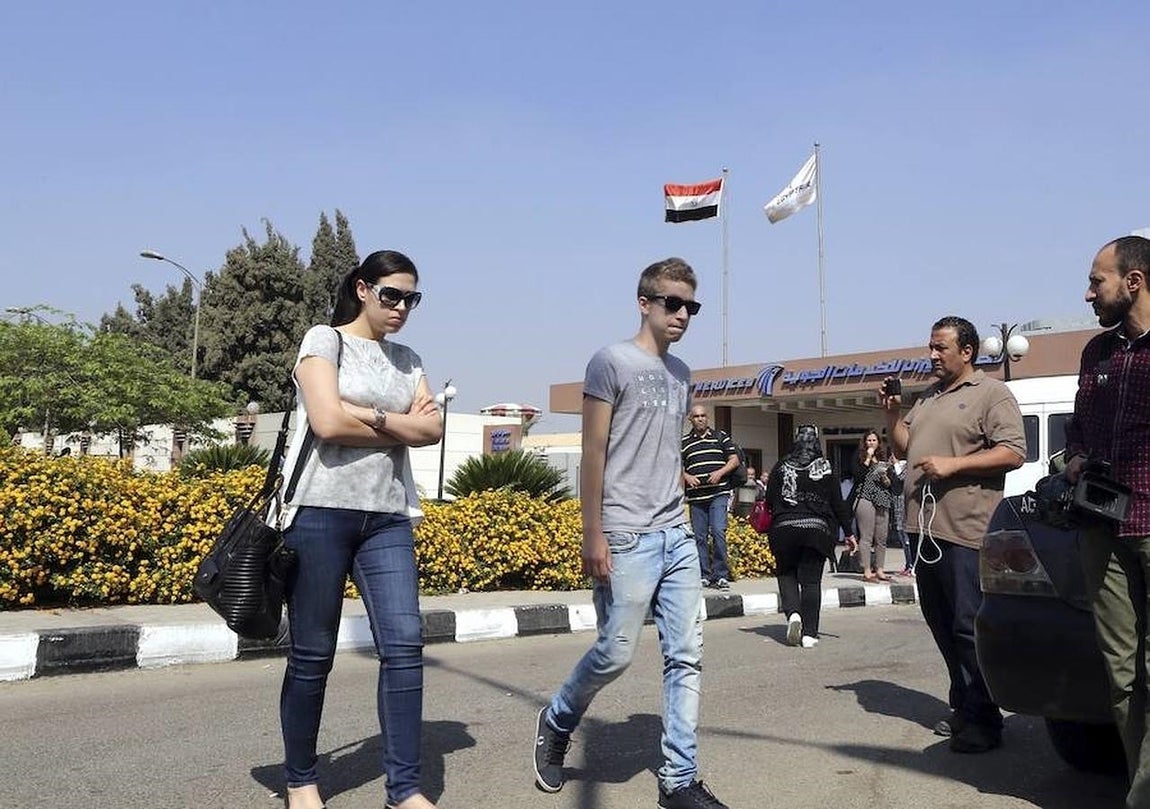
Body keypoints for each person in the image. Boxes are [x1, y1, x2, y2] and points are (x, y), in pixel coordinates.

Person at [532, 257, 730, 809]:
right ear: (644, 302)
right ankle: (558, 716)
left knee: (686, 654)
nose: (682, 315)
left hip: (675, 531)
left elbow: (663, 451)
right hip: (623, 534)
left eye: (691, 306)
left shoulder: (683, 373)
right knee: (615, 653)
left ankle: (679, 779)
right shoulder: (610, 362)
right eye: (672, 303)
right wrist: (590, 531)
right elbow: (594, 452)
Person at [274, 250, 443, 809]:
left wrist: (367, 416)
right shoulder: (324, 340)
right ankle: (301, 780)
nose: (401, 307)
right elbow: (325, 422)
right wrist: (400, 425)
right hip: (319, 512)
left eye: (411, 299)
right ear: (363, 288)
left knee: (405, 645)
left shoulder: (408, 356)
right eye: (391, 294)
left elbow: (434, 429)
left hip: (388, 515)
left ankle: (405, 788)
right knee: (313, 654)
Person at [881, 315, 1025, 755]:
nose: (932, 355)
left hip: (964, 530)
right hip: (923, 531)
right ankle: (964, 706)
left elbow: (1014, 452)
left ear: (967, 351)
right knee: (942, 623)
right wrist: (892, 415)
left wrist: (954, 465)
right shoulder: (928, 397)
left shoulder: (991, 393)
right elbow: (906, 447)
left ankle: (985, 718)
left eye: (941, 348)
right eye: (930, 346)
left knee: (967, 625)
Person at [1064, 235, 1150, 807]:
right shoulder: (1097, 354)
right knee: (1122, 673)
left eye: (1098, 281)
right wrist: (1072, 458)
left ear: (1133, 282)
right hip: (1102, 525)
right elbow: (1078, 426)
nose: (1089, 292)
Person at [765, 425, 857, 648]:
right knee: (811, 581)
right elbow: (838, 504)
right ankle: (809, 633)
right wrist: (850, 533)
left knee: (786, 574)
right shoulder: (825, 468)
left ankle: (793, 614)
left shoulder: (781, 466)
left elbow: (768, 500)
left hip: (784, 528)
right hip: (816, 530)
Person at [682, 406, 740, 590]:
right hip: (696, 497)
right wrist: (687, 477)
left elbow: (734, 460)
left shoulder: (720, 437)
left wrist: (720, 472)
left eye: (703, 416)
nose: (700, 419)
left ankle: (721, 575)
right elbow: (676, 464)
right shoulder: (684, 442)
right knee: (699, 537)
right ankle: (704, 575)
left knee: (718, 531)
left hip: (718, 493)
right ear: (690, 419)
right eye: (696, 416)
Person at [851, 430, 894, 582]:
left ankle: (880, 569)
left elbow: (890, 482)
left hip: (882, 498)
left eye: (874, 440)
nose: (871, 443)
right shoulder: (859, 457)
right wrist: (868, 458)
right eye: (868, 440)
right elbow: (858, 475)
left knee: (881, 537)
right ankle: (867, 570)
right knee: (867, 536)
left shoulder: (883, 458)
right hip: (865, 497)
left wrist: (886, 478)